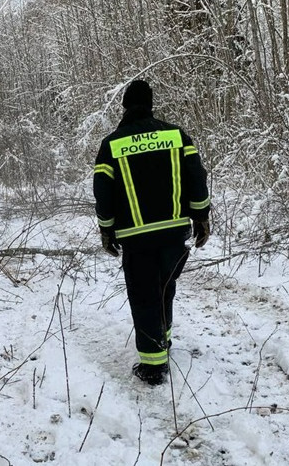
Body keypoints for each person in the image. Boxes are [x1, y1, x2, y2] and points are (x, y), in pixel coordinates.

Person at [92, 79, 211, 385]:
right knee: (164, 288)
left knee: (144, 296)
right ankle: (163, 341)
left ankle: (153, 366)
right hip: (174, 232)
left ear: (125, 107)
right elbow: (196, 175)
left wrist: (107, 230)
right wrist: (201, 217)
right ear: (151, 103)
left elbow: (103, 191)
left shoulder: (112, 144)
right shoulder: (176, 135)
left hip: (136, 237)